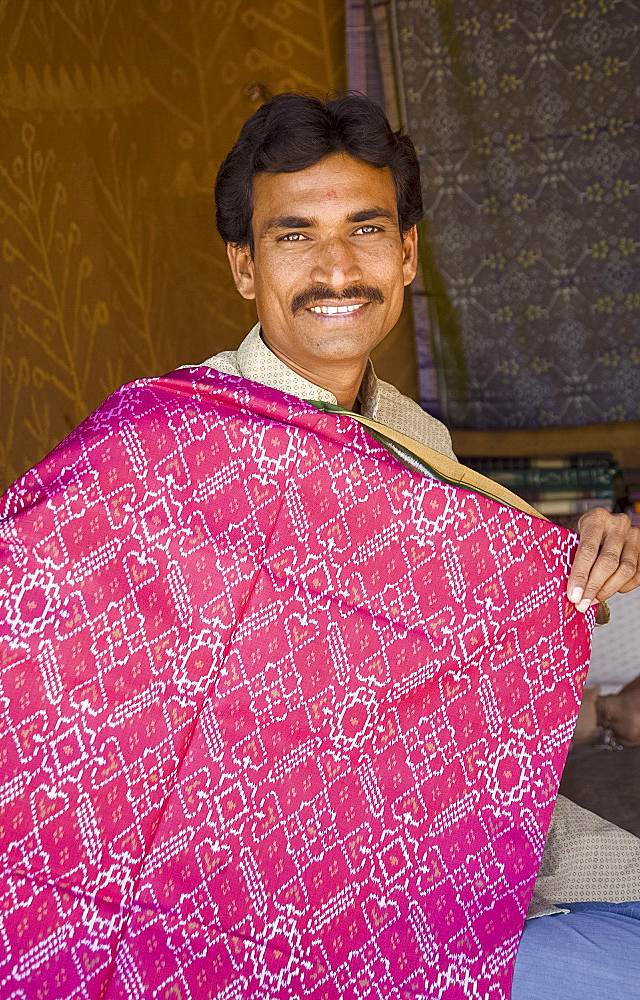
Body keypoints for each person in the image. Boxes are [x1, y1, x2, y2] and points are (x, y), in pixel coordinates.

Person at [204, 92, 640, 997]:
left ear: (406, 256)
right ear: (245, 266)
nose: (336, 270)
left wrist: (588, 559)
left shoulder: (417, 438)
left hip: (456, 838)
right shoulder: (177, 447)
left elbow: (476, 644)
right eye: (294, 236)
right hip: (278, 889)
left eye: (366, 230)